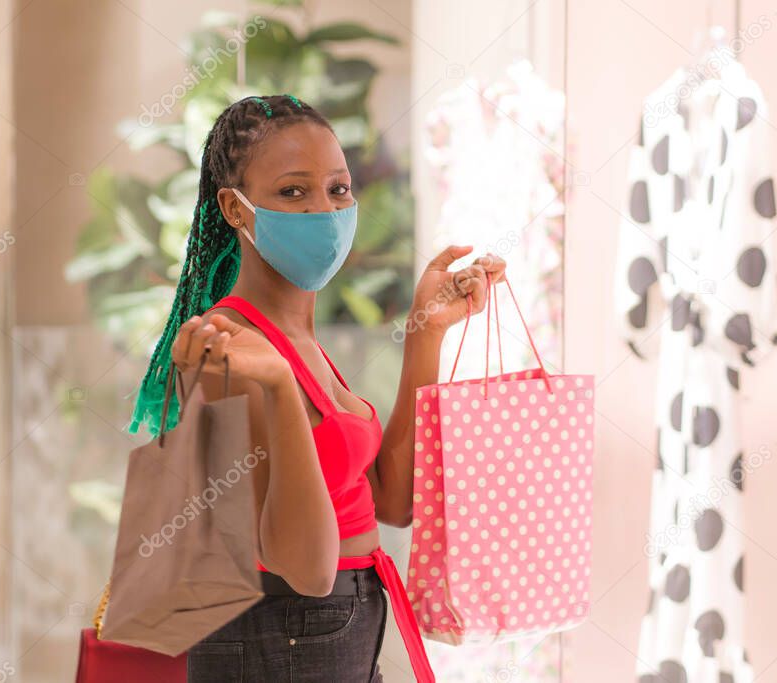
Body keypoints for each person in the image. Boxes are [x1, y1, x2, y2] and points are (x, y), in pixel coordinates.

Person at [128, 94, 505, 682]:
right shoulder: (232, 350)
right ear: (235, 208)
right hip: (282, 634)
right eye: (293, 192)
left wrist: (426, 331)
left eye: (338, 188)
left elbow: (391, 503)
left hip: (330, 632)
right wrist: (279, 390)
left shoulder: (296, 340)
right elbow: (307, 570)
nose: (326, 211)